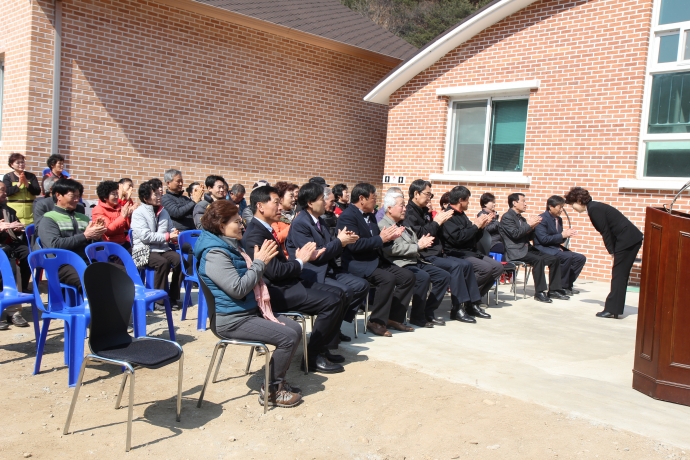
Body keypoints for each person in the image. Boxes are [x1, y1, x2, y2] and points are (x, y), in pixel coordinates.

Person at [195, 200, 302, 407]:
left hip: (248, 311)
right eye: (237, 222)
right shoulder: (215, 254)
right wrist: (260, 262)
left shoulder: (230, 246)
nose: (242, 225)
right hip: (231, 320)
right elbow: (238, 289)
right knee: (287, 337)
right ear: (221, 225)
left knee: (295, 329)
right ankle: (271, 391)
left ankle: (277, 381)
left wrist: (260, 263)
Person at [243, 185, 345, 373]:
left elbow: (278, 268)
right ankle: (313, 357)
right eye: (276, 202)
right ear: (260, 206)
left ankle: (322, 347)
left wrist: (298, 259)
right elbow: (274, 273)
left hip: (287, 283)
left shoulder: (264, 229)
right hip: (276, 292)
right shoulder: (256, 234)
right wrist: (300, 261)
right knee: (331, 301)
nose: (280, 207)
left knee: (339, 293)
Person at [286, 182, 368, 348]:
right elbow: (315, 255)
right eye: (321, 200)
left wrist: (343, 241)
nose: (326, 203)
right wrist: (339, 242)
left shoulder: (319, 221)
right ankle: (327, 339)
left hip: (328, 268)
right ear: (310, 203)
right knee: (344, 292)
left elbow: (329, 246)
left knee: (361, 285)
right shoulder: (301, 223)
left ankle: (334, 326)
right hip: (312, 272)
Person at [336, 183, 415, 336]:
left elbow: (378, 239)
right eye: (373, 198)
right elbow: (354, 245)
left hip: (375, 260)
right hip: (357, 263)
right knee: (387, 279)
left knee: (408, 276)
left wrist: (390, 237)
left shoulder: (370, 214)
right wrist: (381, 239)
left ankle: (393, 317)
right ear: (362, 199)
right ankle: (376, 321)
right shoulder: (348, 216)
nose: (376, 202)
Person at [403, 179, 483, 323]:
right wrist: (437, 222)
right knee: (456, 267)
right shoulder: (409, 213)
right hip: (422, 255)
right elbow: (420, 235)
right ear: (416, 194)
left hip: (435, 252)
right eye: (427, 194)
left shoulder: (423, 211)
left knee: (466, 265)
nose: (429, 198)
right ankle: (456, 308)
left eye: (430, 195)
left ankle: (471, 304)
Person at [564, 187, 643, 319]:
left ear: (579, 201)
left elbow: (605, 232)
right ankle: (614, 309)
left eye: (573, 204)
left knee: (619, 275)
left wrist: (612, 252)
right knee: (620, 275)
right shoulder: (595, 207)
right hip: (628, 239)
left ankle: (612, 309)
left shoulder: (594, 209)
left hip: (627, 240)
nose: (573, 208)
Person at [379, 192, 450, 328]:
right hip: (400, 263)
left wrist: (421, 242)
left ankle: (428, 311)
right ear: (389, 208)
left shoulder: (401, 224)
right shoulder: (384, 225)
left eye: (404, 206)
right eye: (401, 206)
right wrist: (417, 246)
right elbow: (391, 250)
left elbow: (413, 241)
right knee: (423, 277)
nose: (404, 209)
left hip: (415, 259)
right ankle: (417, 317)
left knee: (443, 276)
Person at [37, 178, 106, 289]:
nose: (76, 200)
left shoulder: (83, 218)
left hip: (86, 261)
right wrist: (85, 236)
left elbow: (96, 248)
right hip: (62, 265)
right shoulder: (49, 219)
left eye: (78, 196)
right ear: (58, 195)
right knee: (91, 281)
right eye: (72, 196)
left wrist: (96, 237)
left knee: (121, 274)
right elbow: (54, 245)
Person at [499, 193, 568, 303]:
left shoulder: (521, 218)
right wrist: (529, 225)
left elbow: (528, 236)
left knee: (554, 259)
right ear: (514, 203)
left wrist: (533, 227)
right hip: (515, 251)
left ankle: (554, 290)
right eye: (523, 201)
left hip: (526, 249)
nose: (525, 204)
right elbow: (515, 234)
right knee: (538, 260)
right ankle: (539, 292)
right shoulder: (507, 217)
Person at [441, 186, 504, 306]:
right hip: (456, 253)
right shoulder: (448, 216)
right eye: (467, 200)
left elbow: (472, 235)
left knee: (498, 267)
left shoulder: (462, 215)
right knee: (485, 268)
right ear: (461, 200)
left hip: (470, 251)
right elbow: (458, 238)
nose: (469, 203)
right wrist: (476, 226)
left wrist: (481, 227)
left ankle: (475, 298)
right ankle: (468, 299)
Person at [131, 181, 182, 309]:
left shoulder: (164, 212)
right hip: (144, 250)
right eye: (155, 194)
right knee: (162, 263)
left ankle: (172, 297)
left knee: (179, 260)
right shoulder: (138, 213)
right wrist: (167, 237)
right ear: (145, 198)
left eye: (160, 194)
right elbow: (145, 236)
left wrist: (175, 235)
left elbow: (170, 229)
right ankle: (159, 300)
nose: (159, 197)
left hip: (162, 248)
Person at [534, 195, 586, 297]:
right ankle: (558, 288)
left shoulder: (559, 219)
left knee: (580, 258)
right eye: (560, 207)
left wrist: (566, 235)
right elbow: (543, 239)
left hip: (555, 247)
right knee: (566, 257)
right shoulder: (542, 219)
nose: (561, 210)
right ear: (551, 206)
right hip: (543, 248)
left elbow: (559, 237)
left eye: (563, 207)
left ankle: (567, 285)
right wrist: (562, 235)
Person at [0, 182, 31, 330]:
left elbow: (14, 227)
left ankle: (14, 311)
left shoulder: (9, 210)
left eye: (5, 190)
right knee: (8, 261)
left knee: (26, 254)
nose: (5, 193)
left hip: (8, 245)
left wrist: (17, 228)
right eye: (2, 190)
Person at [92, 180, 136, 249]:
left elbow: (127, 227)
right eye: (113, 194)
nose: (116, 196)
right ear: (105, 197)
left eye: (117, 194)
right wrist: (122, 217)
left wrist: (129, 215)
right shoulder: (98, 209)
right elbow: (108, 231)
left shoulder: (120, 208)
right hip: (107, 246)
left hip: (122, 243)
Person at [3, 153, 41, 225]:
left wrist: (26, 183)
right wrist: (19, 184)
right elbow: (7, 192)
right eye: (18, 163)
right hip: (14, 212)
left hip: (30, 212)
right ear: (11, 165)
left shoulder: (31, 176)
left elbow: (37, 191)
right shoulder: (8, 176)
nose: (21, 164)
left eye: (22, 162)